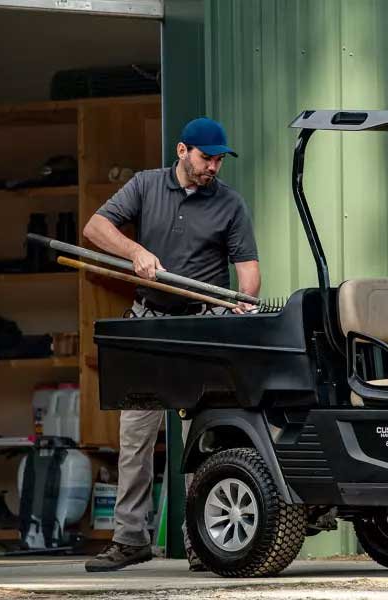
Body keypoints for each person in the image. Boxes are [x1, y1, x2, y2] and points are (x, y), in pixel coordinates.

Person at [82, 117, 259, 572]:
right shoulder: (145, 186)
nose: (213, 167)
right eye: (206, 158)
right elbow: (94, 228)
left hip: (201, 329)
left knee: (201, 439)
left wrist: (243, 302)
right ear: (182, 151)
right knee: (135, 437)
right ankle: (130, 539)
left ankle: (202, 543)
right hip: (149, 326)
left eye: (219, 160)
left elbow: (248, 271)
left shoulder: (230, 204)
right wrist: (135, 252)